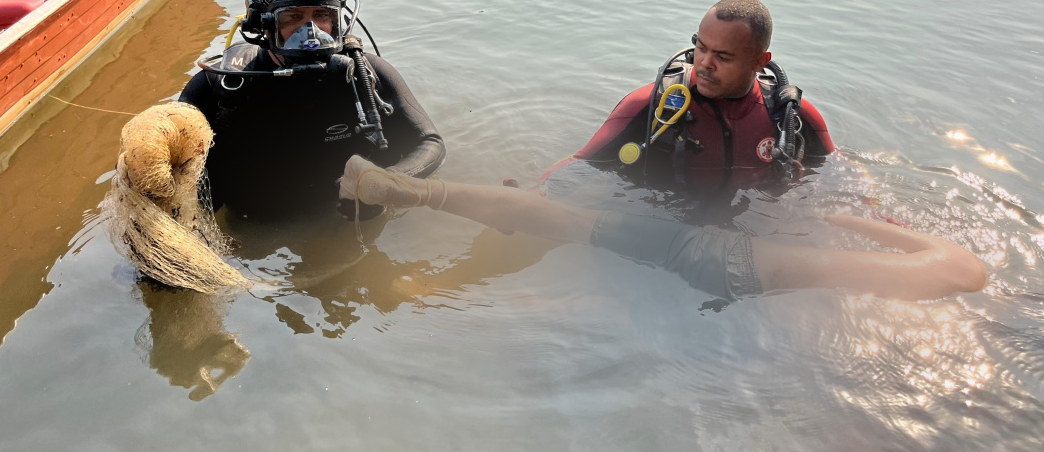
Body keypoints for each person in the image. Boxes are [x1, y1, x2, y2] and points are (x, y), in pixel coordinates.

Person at [340, 157, 987, 302]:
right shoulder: (945, 283)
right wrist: (848, 222)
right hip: (732, 273)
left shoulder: (954, 268)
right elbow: (961, 271)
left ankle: (419, 192)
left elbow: (956, 265)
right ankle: (423, 284)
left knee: (562, 222)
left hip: (713, 252)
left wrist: (854, 221)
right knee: (565, 226)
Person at [179, 0, 445, 219]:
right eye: (292, 16)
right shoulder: (220, 86)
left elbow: (430, 144)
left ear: (337, 21)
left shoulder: (366, 74)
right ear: (263, 23)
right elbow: (171, 169)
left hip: (341, 221)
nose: (310, 32)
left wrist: (386, 183)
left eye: (321, 15)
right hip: (255, 227)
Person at [545, 0, 834, 192]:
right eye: (701, 47)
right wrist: (534, 198)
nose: (705, 63)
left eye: (723, 56)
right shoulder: (650, 105)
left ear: (760, 61)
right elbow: (580, 167)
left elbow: (840, 176)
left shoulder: (791, 116)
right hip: (656, 232)